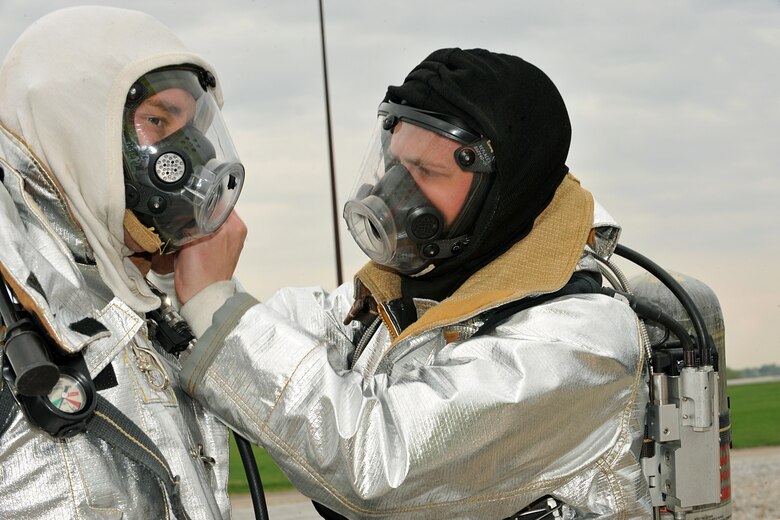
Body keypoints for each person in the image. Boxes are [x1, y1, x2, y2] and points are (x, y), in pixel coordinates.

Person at [177, 50, 653, 518]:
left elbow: (380, 468)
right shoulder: (403, 295)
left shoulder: (579, 343)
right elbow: (282, 326)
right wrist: (173, 270)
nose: (393, 192)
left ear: (502, 194)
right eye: (397, 165)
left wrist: (212, 304)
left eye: (428, 172)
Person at [0, 6, 245, 519]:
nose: (194, 152)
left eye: (194, 126)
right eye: (157, 120)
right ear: (75, 133)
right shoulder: (16, 314)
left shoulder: (157, 308)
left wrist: (213, 306)